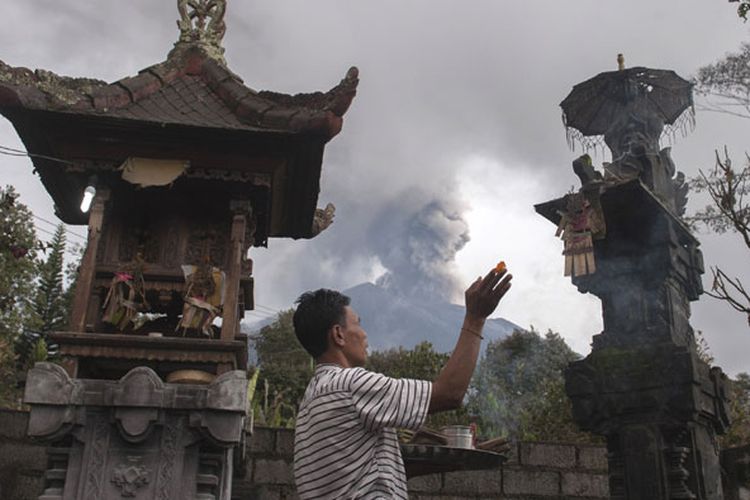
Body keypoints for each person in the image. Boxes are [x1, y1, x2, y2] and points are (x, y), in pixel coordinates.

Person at [291, 265, 512, 499]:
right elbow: (450, 393)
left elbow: (382, 472)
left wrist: (463, 456)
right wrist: (475, 318)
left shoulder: (313, 398)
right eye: (358, 324)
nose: (365, 334)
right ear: (338, 334)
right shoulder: (350, 384)